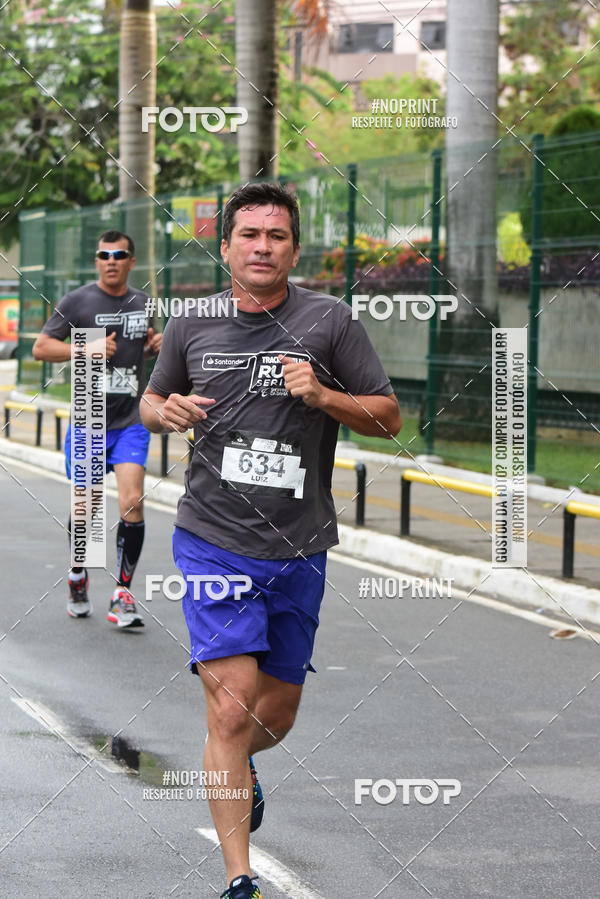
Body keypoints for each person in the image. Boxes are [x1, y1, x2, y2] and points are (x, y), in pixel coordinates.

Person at [140, 183, 401, 899]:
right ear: (225, 246)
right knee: (230, 706)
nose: (262, 246)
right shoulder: (194, 325)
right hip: (213, 538)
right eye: (248, 234)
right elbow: (152, 399)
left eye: (276, 235)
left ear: (294, 247)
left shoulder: (330, 322)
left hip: (298, 543)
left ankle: (241, 763)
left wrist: (322, 397)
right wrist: (167, 412)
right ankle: (239, 876)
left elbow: (387, 417)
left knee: (273, 716)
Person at [33, 230, 161, 627]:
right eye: (104, 254)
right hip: (89, 417)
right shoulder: (78, 302)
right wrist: (82, 349)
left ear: (131, 261)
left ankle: (122, 594)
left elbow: (140, 345)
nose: (111, 260)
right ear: (96, 261)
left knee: (132, 502)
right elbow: (40, 348)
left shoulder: (143, 303)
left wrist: (152, 345)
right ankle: (78, 572)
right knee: (86, 511)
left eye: (119, 254)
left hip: (129, 421)